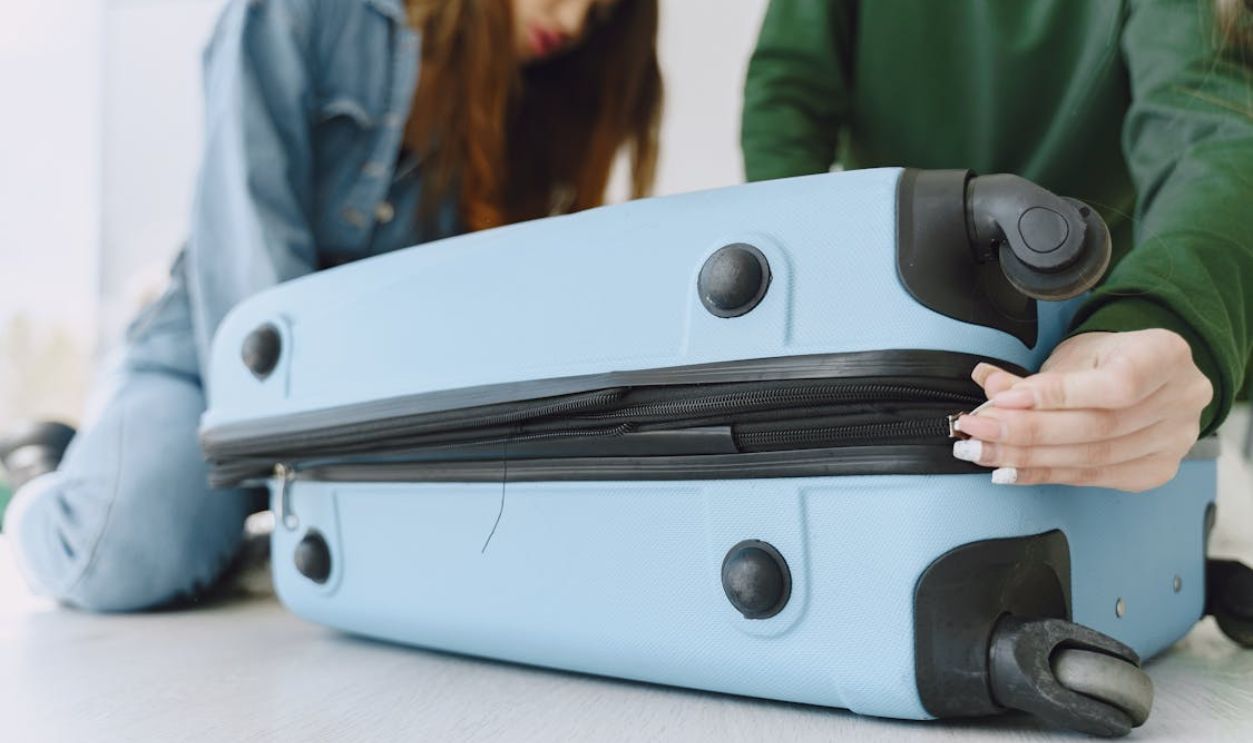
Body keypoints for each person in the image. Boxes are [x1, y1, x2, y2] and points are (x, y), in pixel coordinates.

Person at [0, 0, 662, 611]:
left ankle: (235, 513)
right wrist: (305, 445)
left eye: (601, 10)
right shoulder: (301, 10)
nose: (574, 21)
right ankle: (37, 472)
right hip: (210, 365)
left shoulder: (540, 94)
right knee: (118, 554)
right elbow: (246, 246)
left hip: (379, 400)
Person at [742, 0, 1251, 492]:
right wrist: (804, 302)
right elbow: (787, 105)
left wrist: (1162, 318)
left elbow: (1208, 134)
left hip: (1086, 355)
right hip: (885, 351)